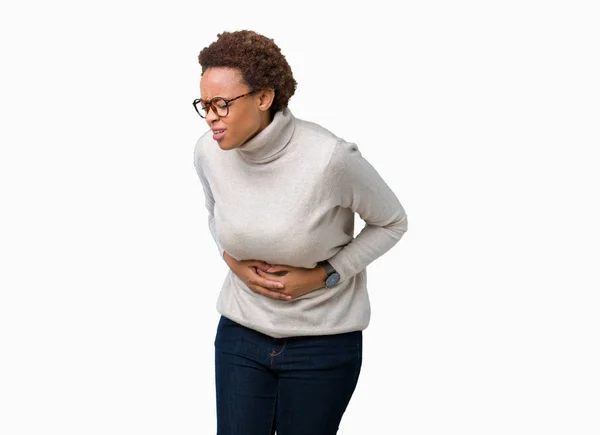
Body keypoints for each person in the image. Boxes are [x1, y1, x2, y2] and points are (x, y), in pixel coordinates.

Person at [193, 30, 408, 435]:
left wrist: (326, 274)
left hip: (322, 343)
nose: (210, 117)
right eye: (204, 105)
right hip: (241, 334)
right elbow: (213, 214)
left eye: (221, 104)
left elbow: (392, 221)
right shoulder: (208, 152)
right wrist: (233, 263)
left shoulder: (329, 158)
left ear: (263, 97)